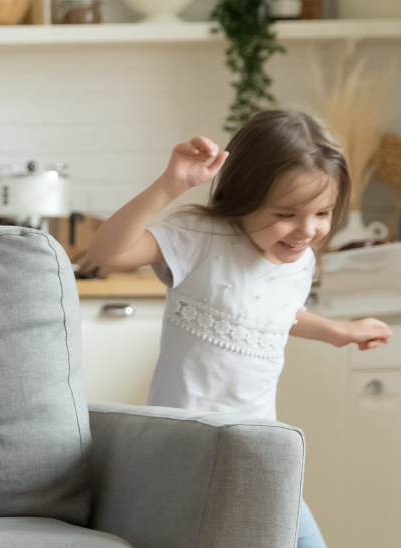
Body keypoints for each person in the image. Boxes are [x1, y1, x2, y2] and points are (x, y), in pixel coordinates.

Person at [89, 109, 393, 548]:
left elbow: (269, 313)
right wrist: (170, 185)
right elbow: (106, 252)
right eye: (287, 213)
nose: (307, 230)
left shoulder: (298, 260)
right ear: (245, 195)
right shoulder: (198, 237)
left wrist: (336, 331)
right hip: (187, 448)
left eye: (323, 213)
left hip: (259, 445)